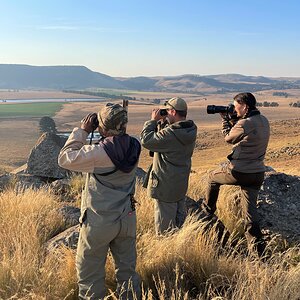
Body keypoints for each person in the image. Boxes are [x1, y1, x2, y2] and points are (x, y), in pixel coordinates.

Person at [58, 103, 141, 300]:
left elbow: (64, 158)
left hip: (100, 220)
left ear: (102, 127)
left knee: (90, 271)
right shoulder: (135, 145)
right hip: (127, 218)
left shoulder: (98, 154)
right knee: (127, 271)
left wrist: (83, 130)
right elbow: (117, 142)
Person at [200, 92, 270, 257]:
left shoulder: (245, 122)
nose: (234, 108)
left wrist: (225, 120)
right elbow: (246, 132)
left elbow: (229, 139)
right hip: (257, 173)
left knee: (212, 177)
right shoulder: (263, 120)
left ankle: (208, 210)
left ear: (245, 106)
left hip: (239, 171)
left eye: (236, 105)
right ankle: (258, 253)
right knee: (250, 215)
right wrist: (234, 119)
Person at [141, 97, 197, 235]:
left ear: (172, 111)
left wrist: (152, 121)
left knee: (164, 231)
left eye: (167, 111)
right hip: (179, 184)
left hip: (165, 186)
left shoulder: (171, 134)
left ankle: (168, 254)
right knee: (178, 226)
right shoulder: (190, 129)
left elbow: (146, 140)